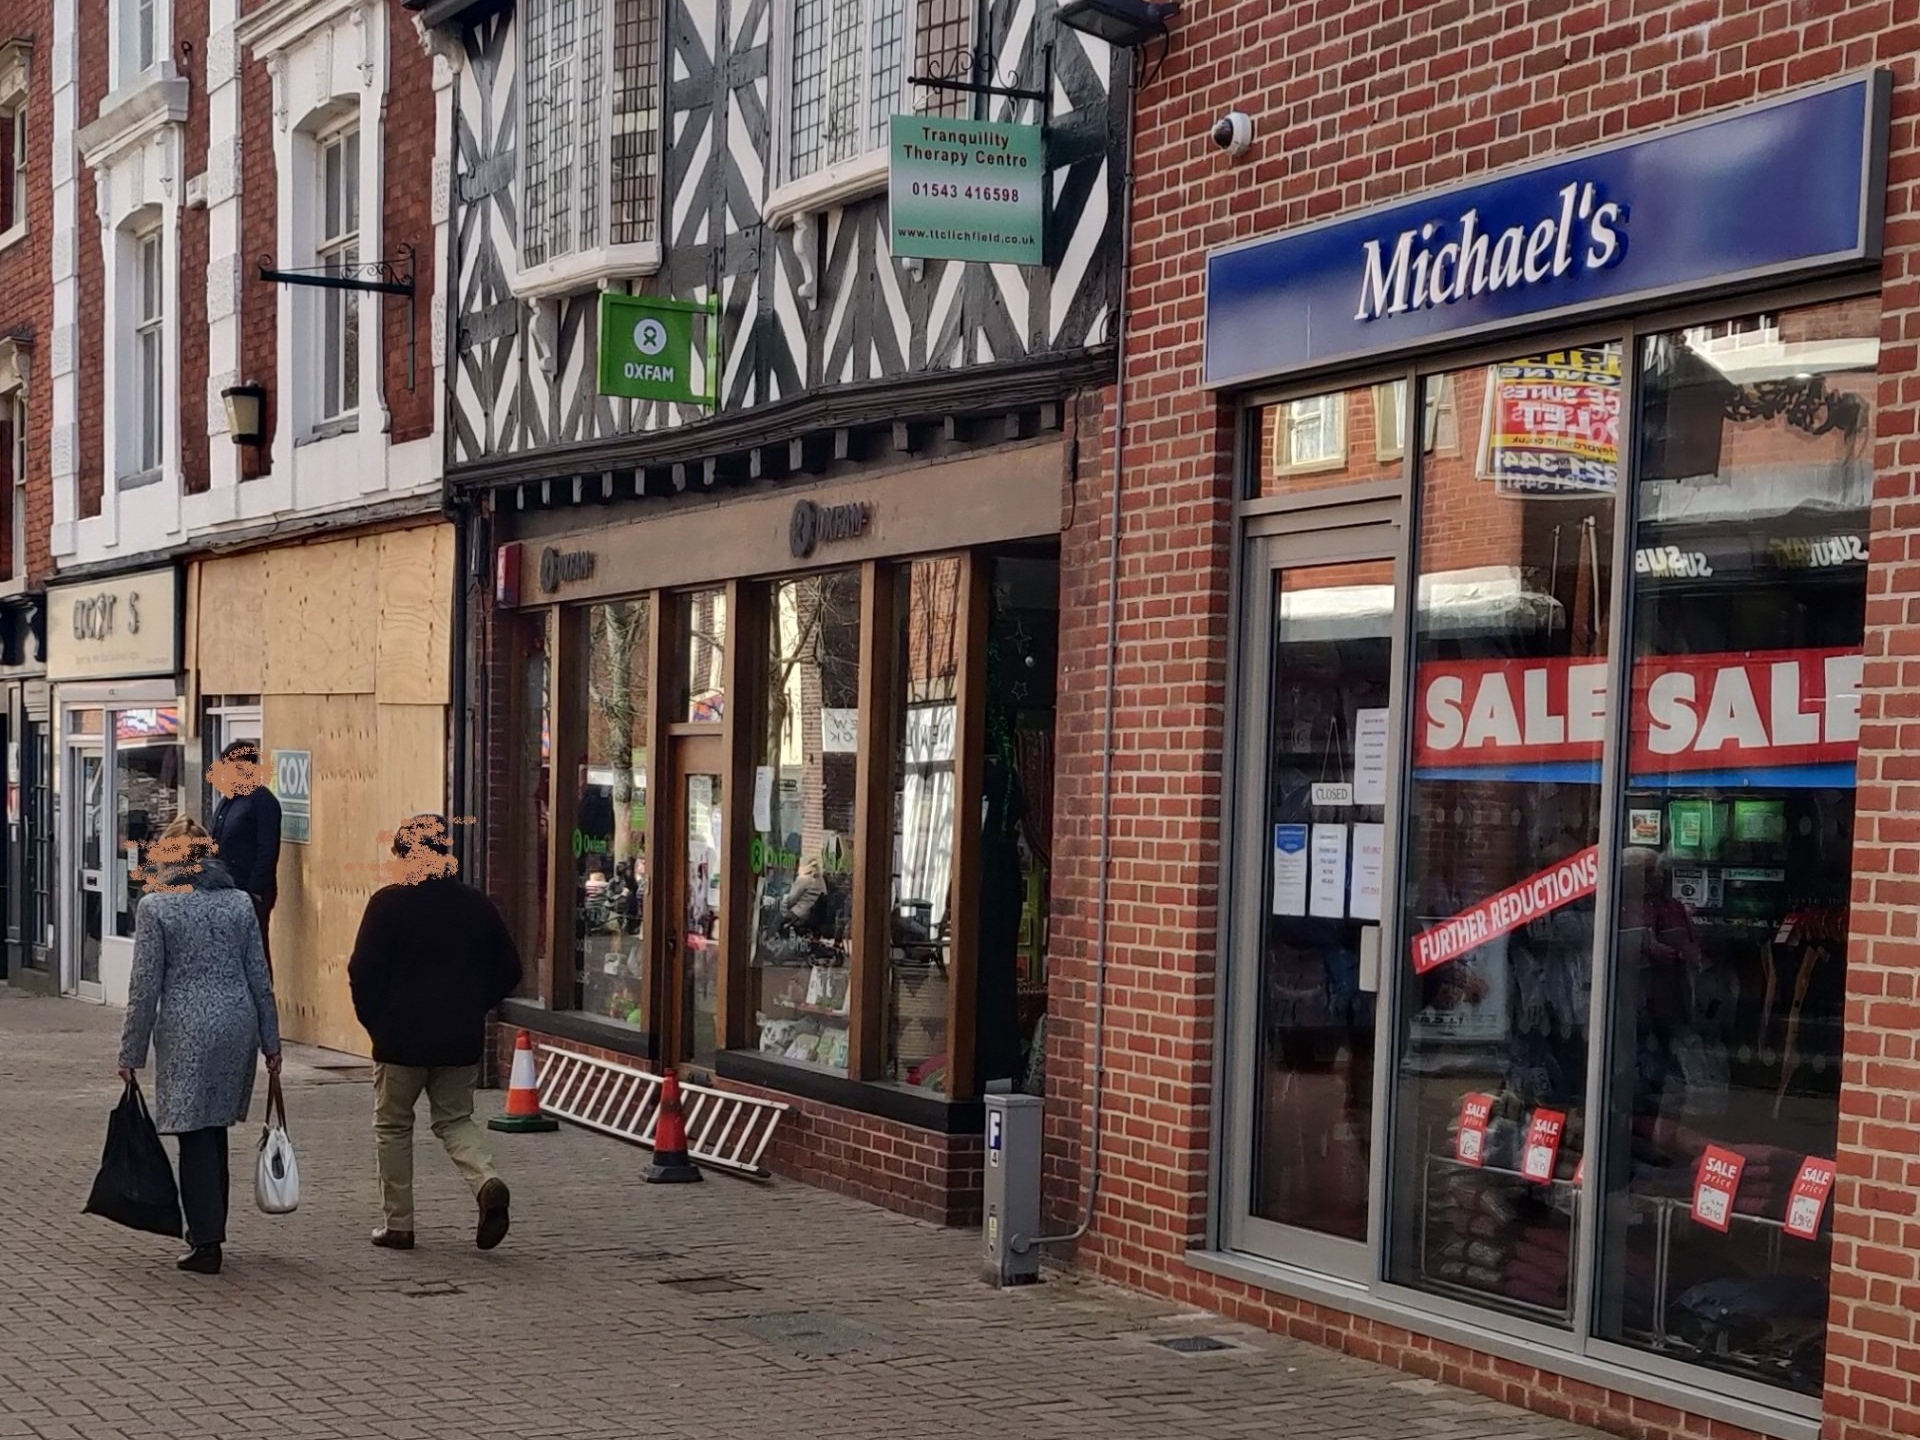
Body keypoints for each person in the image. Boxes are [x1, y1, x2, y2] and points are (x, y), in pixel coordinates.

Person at [116, 816, 283, 1275]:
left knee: (193, 1133)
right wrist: (272, 1041)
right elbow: (259, 977)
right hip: (236, 1022)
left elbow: (145, 986)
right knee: (215, 1128)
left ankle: (206, 1241)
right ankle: (210, 1228)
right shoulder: (238, 903)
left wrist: (131, 1052)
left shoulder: (157, 906)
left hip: (185, 1027)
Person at [347, 815, 521, 1251]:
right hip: (457, 1040)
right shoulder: (475, 905)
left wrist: (377, 1023)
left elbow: (361, 973)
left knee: (392, 1126)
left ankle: (399, 1225)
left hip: (399, 1041)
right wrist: (471, 1007)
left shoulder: (387, 905)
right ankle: (487, 1182)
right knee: (455, 1120)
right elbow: (510, 970)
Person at [208, 740, 283, 974]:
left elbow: (267, 849)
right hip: (224, 889)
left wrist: (254, 891)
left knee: (255, 953)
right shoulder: (228, 801)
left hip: (249, 892)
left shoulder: (262, 801)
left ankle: (262, 1004)